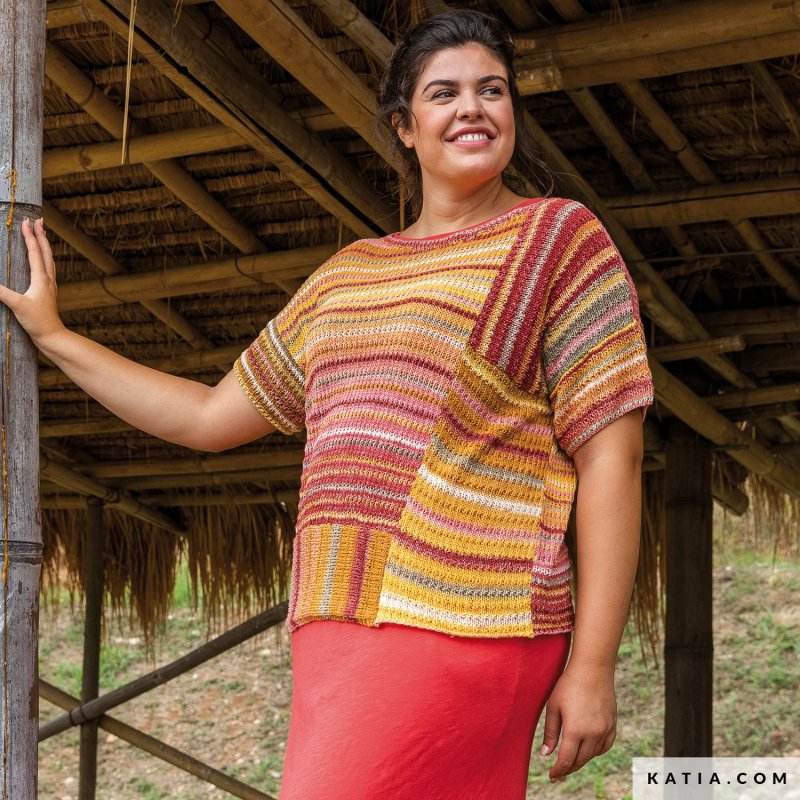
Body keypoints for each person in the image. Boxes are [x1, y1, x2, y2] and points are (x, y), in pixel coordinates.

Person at [2, 9, 654, 799]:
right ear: (403, 126)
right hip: (334, 621)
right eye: (444, 93)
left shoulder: (557, 240)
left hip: (464, 613)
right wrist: (58, 337)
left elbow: (611, 455)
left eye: (492, 90)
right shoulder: (348, 276)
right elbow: (210, 417)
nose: (473, 109)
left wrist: (593, 664)